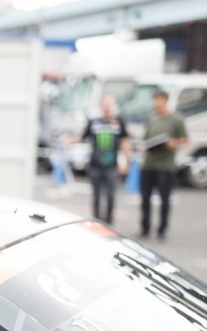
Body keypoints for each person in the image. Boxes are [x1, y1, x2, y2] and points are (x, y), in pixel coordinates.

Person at [139, 90, 188, 239]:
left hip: (166, 166)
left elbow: (184, 140)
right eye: (155, 100)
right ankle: (145, 228)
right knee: (145, 199)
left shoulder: (176, 119)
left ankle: (162, 229)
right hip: (149, 165)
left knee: (164, 200)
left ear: (165, 101)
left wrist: (172, 142)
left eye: (158, 100)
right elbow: (145, 140)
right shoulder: (152, 119)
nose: (156, 104)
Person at [81, 94, 130, 224]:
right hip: (95, 165)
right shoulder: (93, 122)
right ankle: (96, 221)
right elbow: (82, 137)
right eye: (105, 104)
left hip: (111, 165)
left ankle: (109, 223)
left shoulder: (119, 122)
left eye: (110, 104)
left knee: (110, 195)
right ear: (101, 106)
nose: (107, 107)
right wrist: (68, 139)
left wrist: (126, 161)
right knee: (96, 196)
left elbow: (125, 142)